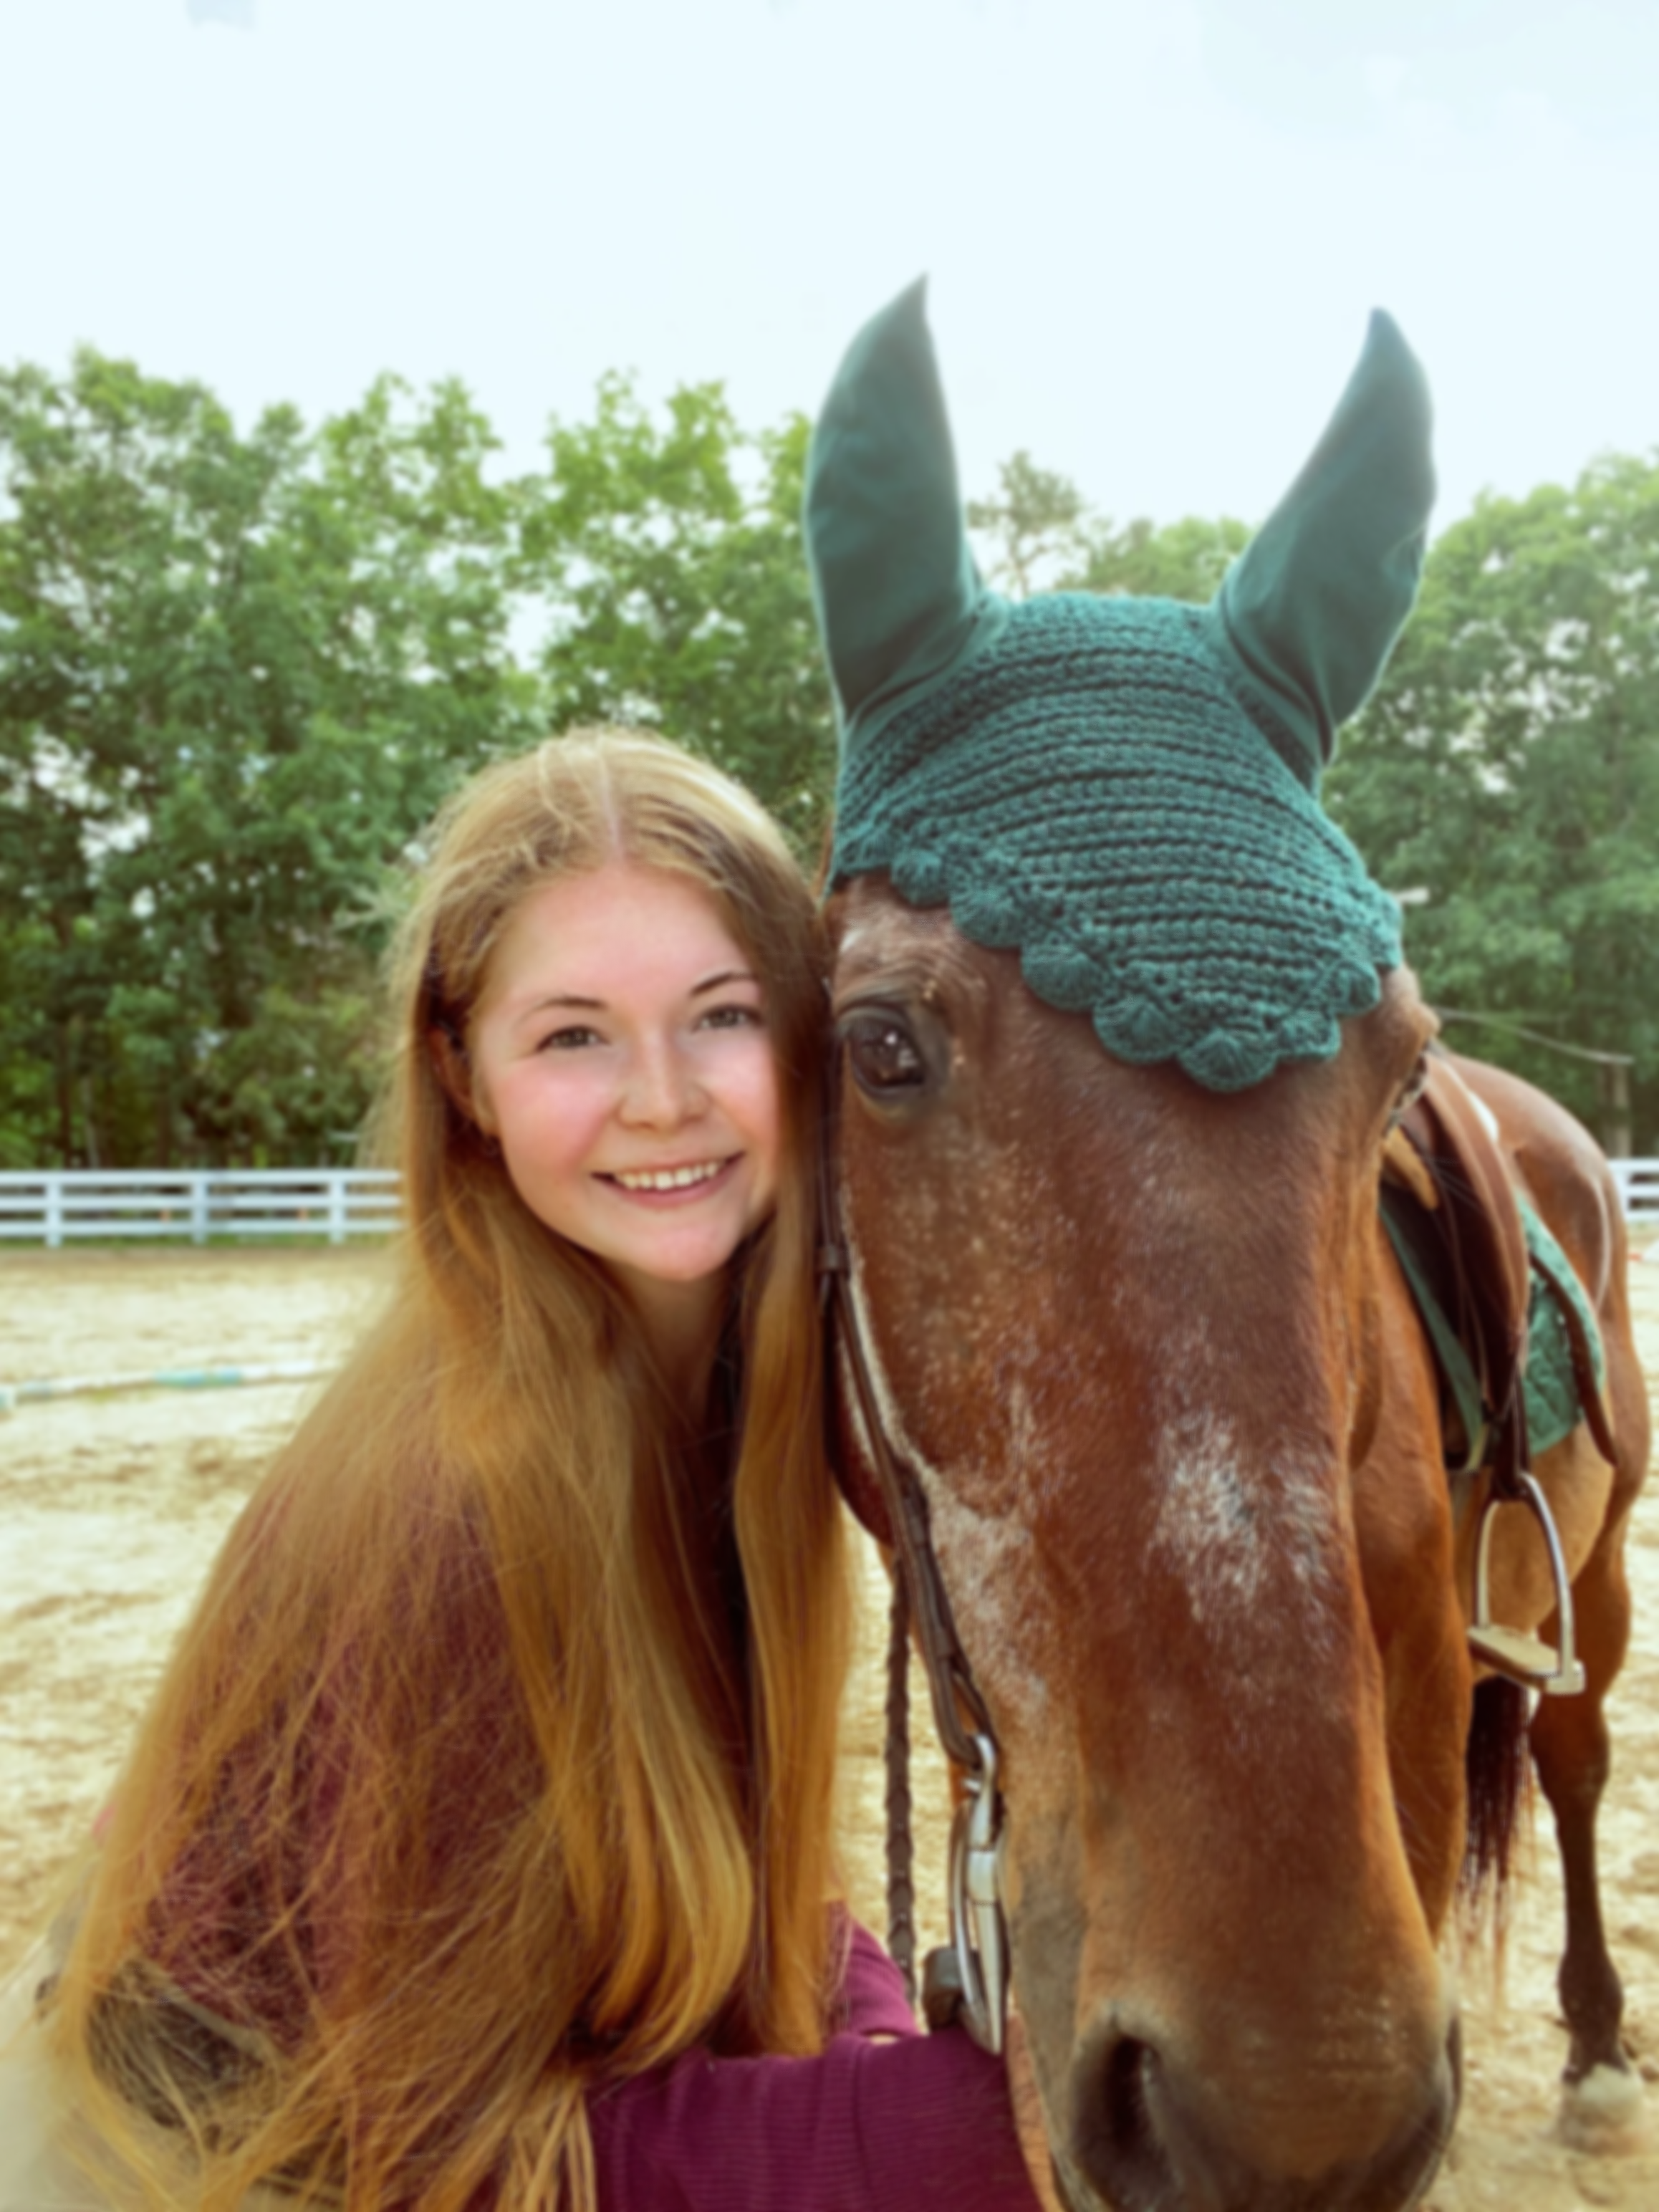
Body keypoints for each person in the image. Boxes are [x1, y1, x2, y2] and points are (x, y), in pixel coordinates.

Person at [1, 729, 1046, 2212]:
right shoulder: (459, 1496)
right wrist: (936, 2133)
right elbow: (443, 2150)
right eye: (572, 1033)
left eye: (724, 1013)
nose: (663, 1095)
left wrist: (864, 2020)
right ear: (465, 1074)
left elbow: (719, 1855)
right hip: (179, 2157)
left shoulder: (733, 1392)